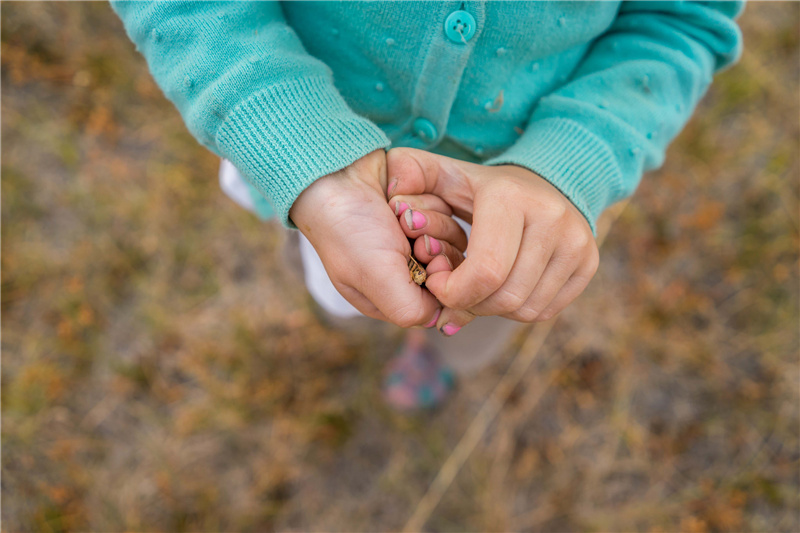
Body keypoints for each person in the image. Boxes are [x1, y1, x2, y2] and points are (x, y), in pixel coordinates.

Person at [111, 1, 744, 409]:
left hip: (513, 203)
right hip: (308, 162)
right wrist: (307, 156)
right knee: (341, 286)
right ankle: (361, 318)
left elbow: (680, 19)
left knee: (476, 310)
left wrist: (568, 161)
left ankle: (432, 351)